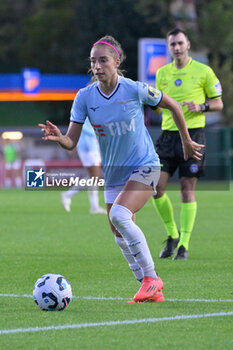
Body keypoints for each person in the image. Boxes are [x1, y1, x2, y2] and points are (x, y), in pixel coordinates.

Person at [38, 35, 204, 303]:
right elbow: (71, 142)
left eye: (103, 60)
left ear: (117, 61)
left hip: (145, 165)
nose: (97, 66)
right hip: (114, 173)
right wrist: (60, 137)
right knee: (119, 234)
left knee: (120, 215)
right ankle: (148, 288)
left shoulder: (134, 89)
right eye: (93, 61)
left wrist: (186, 139)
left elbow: (172, 104)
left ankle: (151, 278)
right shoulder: (84, 97)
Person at [152, 28, 223, 260]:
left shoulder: (204, 71)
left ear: (188, 44)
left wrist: (201, 107)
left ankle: (184, 244)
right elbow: (158, 105)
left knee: (186, 189)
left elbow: (218, 103)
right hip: (167, 136)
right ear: (169, 47)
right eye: (172, 44)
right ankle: (172, 235)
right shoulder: (162, 73)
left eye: (180, 43)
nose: (177, 48)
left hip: (193, 136)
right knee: (155, 188)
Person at [61, 118, 107, 214]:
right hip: (90, 145)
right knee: (94, 178)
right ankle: (69, 195)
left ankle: (93, 206)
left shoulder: (82, 109)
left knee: (93, 178)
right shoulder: (90, 109)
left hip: (84, 146)